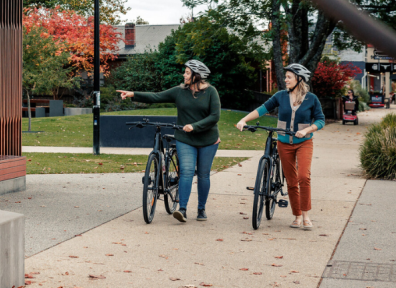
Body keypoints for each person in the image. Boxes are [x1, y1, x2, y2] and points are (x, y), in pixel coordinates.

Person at [117, 60, 221, 224]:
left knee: (203, 175)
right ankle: (183, 209)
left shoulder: (211, 92)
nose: (184, 75)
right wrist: (133, 94)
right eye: (185, 72)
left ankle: (201, 208)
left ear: (197, 75)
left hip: (208, 140)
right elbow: (156, 96)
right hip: (185, 139)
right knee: (186, 171)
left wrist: (194, 126)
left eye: (187, 72)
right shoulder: (179, 91)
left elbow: (215, 116)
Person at [236, 64, 325, 231]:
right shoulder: (280, 96)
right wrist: (244, 120)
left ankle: (306, 216)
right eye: (286, 76)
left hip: (304, 142)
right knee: (291, 181)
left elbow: (320, 120)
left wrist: (306, 130)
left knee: (303, 177)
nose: (286, 79)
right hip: (284, 144)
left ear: (299, 79)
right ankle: (297, 216)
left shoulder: (311, 99)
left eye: (289, 77)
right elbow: (262, 109)